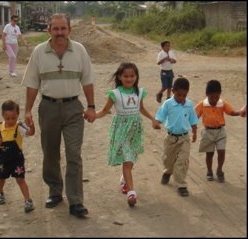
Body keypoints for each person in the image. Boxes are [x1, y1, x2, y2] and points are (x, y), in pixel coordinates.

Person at [21, 13, 95, 217]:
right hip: (48, 108)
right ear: (49, 30)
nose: (60, 33)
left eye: (63, 28)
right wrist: (27, 110)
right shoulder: (39, 52)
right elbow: (32, 84)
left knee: (73, 154)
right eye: (56, 29)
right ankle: (55, 191)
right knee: (50, 153)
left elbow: (87, 80)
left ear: (69, 30)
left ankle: (76, 201)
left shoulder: (79, 50)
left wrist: (90, 106)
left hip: (73, 108)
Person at [96, 62, 160, 207]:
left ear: (136, 77)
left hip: (134, 131)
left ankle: (125, 180)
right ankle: (131, 192)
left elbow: (141, 108)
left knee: (131, 160)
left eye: (132, 76)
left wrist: (152, 119)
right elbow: (104, 111)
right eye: (126, 76)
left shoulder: (139, 92)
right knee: (127, 158)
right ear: (119, 77)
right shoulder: (115, 94)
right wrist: (93, 115)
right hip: (121, 131)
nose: (129, 79)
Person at [154, 77, 198, 197]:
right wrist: (157, 122)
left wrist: (194, 132)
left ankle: (181, 185)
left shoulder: (189, 104)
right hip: (170, 138)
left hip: (184, 138)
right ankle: (167, 172)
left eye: (184, 95)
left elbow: (193, 120)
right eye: (179, 95)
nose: (182, 98)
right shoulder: (168, 104)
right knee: (168, 159)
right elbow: (160, 115)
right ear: (173, 91)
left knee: (182, 162)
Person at [195, 80, 242, 182]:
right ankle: (209, 171)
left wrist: (240, 112)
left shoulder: (222, 103)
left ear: (220, 94)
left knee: (221, 152)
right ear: (207, 94)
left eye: (217, 97)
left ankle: (219, 170)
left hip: (220, 131)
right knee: (209, 154)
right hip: (207, 132)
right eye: (212, 97)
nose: (215, 99)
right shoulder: (202, 104)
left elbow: (231, 112)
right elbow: (195, 117)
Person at [0, 100, 35, 213]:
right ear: (3, 116)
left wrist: (32, 126)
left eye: (13, 118)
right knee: (1, 177)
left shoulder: (19, 127)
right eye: (8, 118)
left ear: (17, 115)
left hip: (17, 159)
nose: (11, 121)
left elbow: (30, 133)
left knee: (20, 179)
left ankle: (28, 200)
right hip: (3, 159)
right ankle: (0, 192)